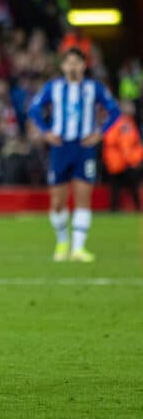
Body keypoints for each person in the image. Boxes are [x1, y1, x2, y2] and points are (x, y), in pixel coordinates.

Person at [29, 47, 120, 263]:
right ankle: (62, 242)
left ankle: (78, 248)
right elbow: (34, 109)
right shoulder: (54, 87)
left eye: (76, 63)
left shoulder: (93, 88)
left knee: (83, 197)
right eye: (68, 63)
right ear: (62, 66)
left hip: (84, 147)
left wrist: (100, 134)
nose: (72, 66)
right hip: (60, 147)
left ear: (83, 65)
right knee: (58, 201)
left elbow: (114, 111)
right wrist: (46, 132)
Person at [102, 99, 143, 211]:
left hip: (115, 162)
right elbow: (126, 144)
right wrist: (133, 161)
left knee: (116, 189)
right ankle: (136, 209)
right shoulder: (124, 123)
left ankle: (114, 210)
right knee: (128, 187)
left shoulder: (117, 122)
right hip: (122, 162)